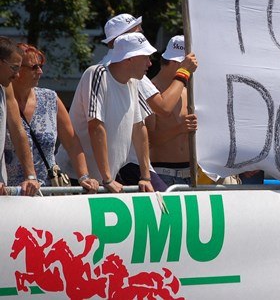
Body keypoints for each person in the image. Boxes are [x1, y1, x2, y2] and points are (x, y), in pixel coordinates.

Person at [99, 14, 198, 190]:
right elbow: (163, 108)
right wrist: (183, 72)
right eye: (137, 31)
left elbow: (140, 126)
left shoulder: (111, 67)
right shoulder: (129, 70)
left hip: (120, 163)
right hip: (125, 164)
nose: (141, 35)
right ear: (122, 39)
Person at [56, 32, 157, 193]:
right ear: (129, 58)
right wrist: (108, 178)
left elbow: (139, 128)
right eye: (146, 57)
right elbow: (96, 126)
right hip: (76, 178)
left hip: (102, 180)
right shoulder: (97, 74)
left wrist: (145, 177)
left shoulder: (133, 82)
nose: (150, 63)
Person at [4, 44, 99, 193]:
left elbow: (72, 142)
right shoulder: (3, 102)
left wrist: (84, 177)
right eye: (34, 67)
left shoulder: (50, 98)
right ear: (16, 68)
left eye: (41, 66)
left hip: (48, 192)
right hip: (10, 192)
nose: (40, 72)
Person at [146, 35, 198, 186]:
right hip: (163, 173)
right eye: (188, 65)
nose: (192, 69)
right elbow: (149, 140)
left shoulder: (188, 90)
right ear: (176, 63)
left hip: (190, 172)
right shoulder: (151, 90)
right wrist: (180, 129)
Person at [0, 37, 41, 196]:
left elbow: (18, 130)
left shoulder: (6, 87)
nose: (17, 75)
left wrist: (30, 176)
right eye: (14, 68)